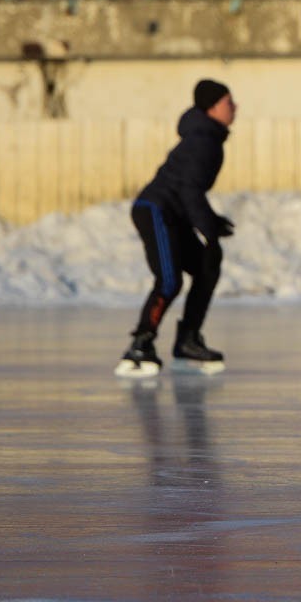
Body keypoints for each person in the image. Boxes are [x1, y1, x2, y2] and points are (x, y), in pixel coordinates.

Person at [114, 79, 238, 379]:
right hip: (155, 209)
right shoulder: (202, 141)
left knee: (208, 266)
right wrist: (208, 229)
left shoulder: (207, 137)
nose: (235, 108)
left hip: (174, 212)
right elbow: (188, 191)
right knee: (169, 281)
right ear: (213, 107)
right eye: (228, 102)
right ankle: (140, 345)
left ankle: (188, 340)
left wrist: (211, 224)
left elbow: (190, 191)